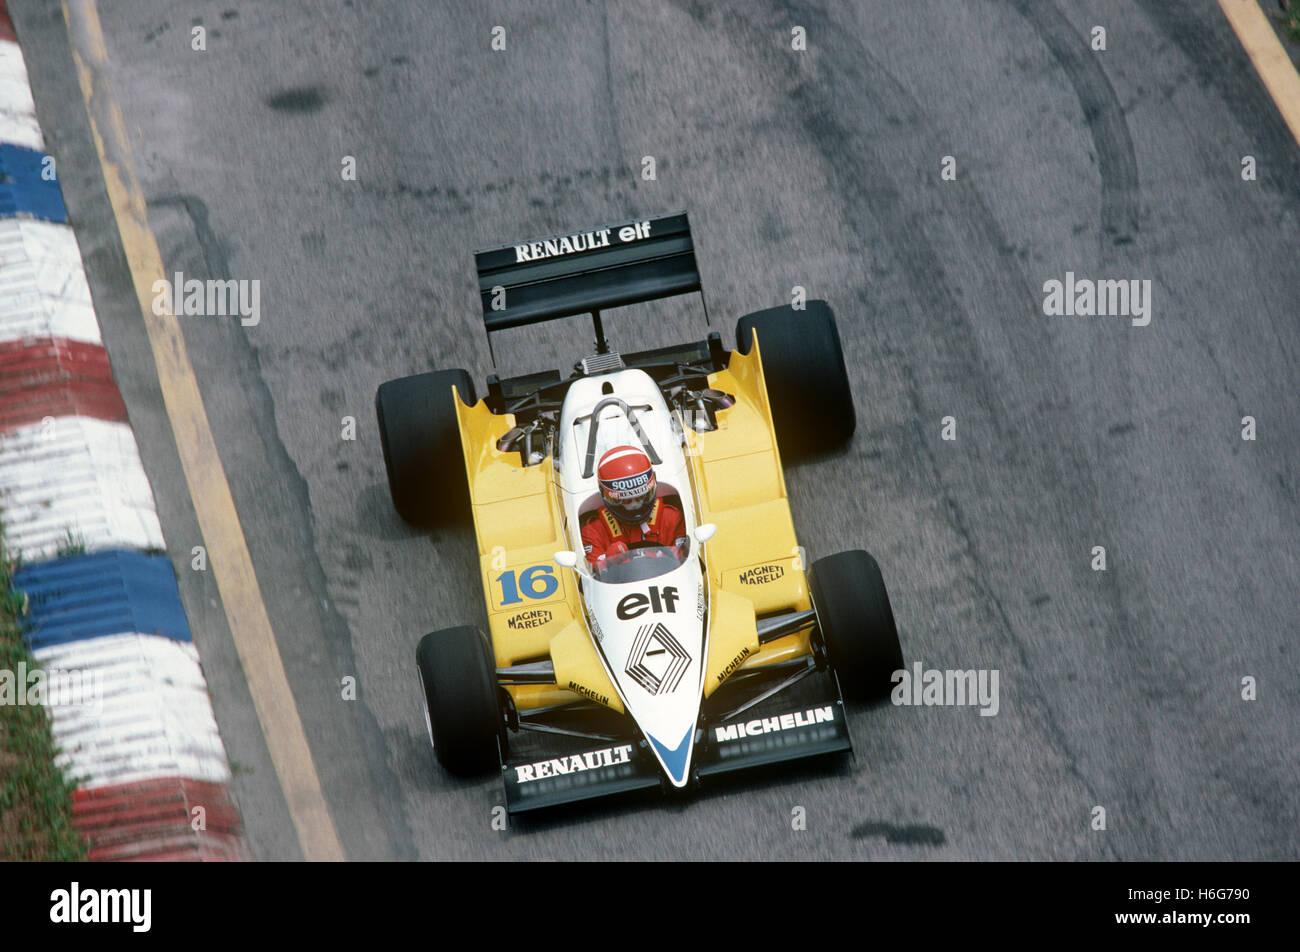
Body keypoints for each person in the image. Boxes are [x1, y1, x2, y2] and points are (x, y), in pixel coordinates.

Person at [581, 445, 687, 568]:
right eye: (627, 500)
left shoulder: (672, 518)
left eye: (640, 497)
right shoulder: (593, 531)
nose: (635, 506)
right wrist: (609, 560)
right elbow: (592, 569)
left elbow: (685, 559)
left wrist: (676, 553)